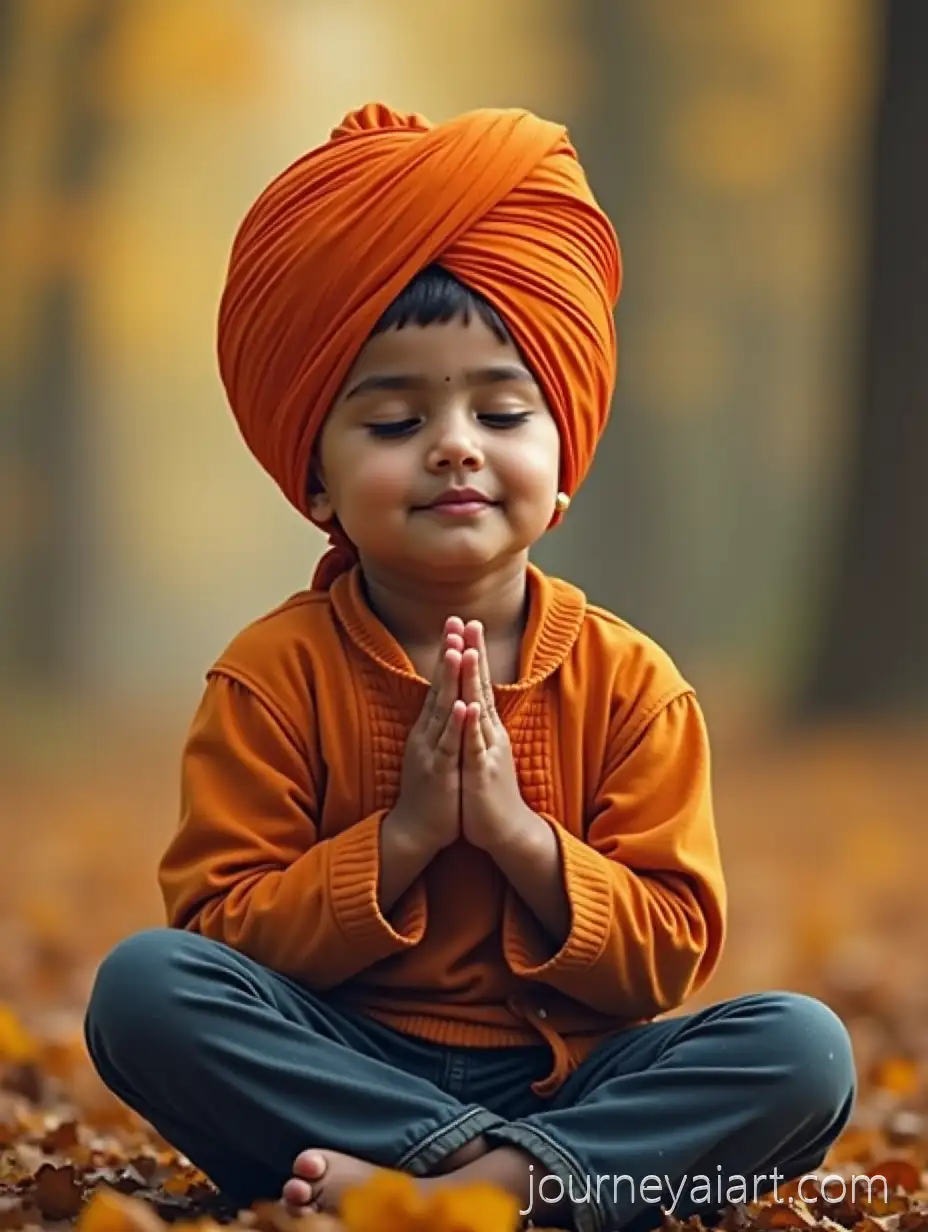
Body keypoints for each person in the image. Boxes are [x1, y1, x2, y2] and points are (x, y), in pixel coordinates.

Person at [83, 103, 856, 1232]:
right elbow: (217, 936)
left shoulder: (631, 682)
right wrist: (395, 844)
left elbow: (667, 958)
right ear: (315, 480)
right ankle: (504, 1182)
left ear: (564, 458)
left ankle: (450, 1188)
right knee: (142, 990)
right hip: (335, 1067)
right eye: (395, 421)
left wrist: (516, 836)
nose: (453, 443)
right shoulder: (269, 677)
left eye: (499, 409)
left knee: (802, 1050)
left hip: (571, 1077)